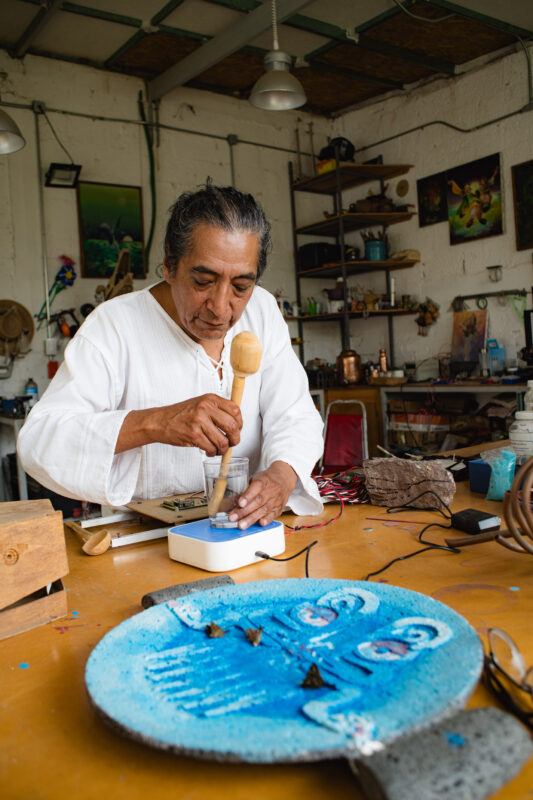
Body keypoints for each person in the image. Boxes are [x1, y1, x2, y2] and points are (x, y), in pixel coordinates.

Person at [18, 184, 324, 529]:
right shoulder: (114, 325)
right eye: (203, 281)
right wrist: (156, 423)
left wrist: (281, 477)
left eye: (240, 287)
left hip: (242, 531)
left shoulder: (262, 311)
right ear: (169, 265)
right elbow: (39, 442)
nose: (221, 307)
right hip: (142, 541)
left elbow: (295, 415)